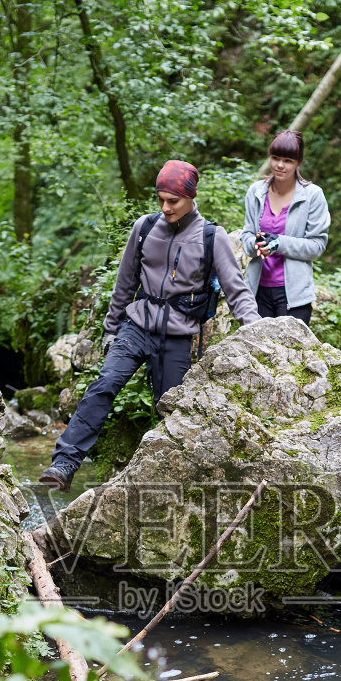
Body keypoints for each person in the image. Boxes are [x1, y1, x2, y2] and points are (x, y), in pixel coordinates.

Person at [38, 160, 260, 490]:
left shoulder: (212, 237)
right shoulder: (145, 227)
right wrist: (111, 329)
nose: (165, 207)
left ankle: (166, 487)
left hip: (178, 335)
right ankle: (64, 464)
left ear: (190, 197)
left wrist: (257, 331)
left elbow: (237, 290)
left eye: (173, 201)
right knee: (105, 384)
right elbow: (125, 282)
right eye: (161, 200)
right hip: (136, 327)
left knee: (170, 412)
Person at [241, 130, 330, 323]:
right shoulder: (255, 192)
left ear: (298, 163)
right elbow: (247, 234)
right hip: (257, 291)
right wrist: (256, 244)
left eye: (288, 160)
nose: (280, 165)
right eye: (275, 158)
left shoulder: (312, 196)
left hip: (294, 297)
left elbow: (316, 246)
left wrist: (278, 243)